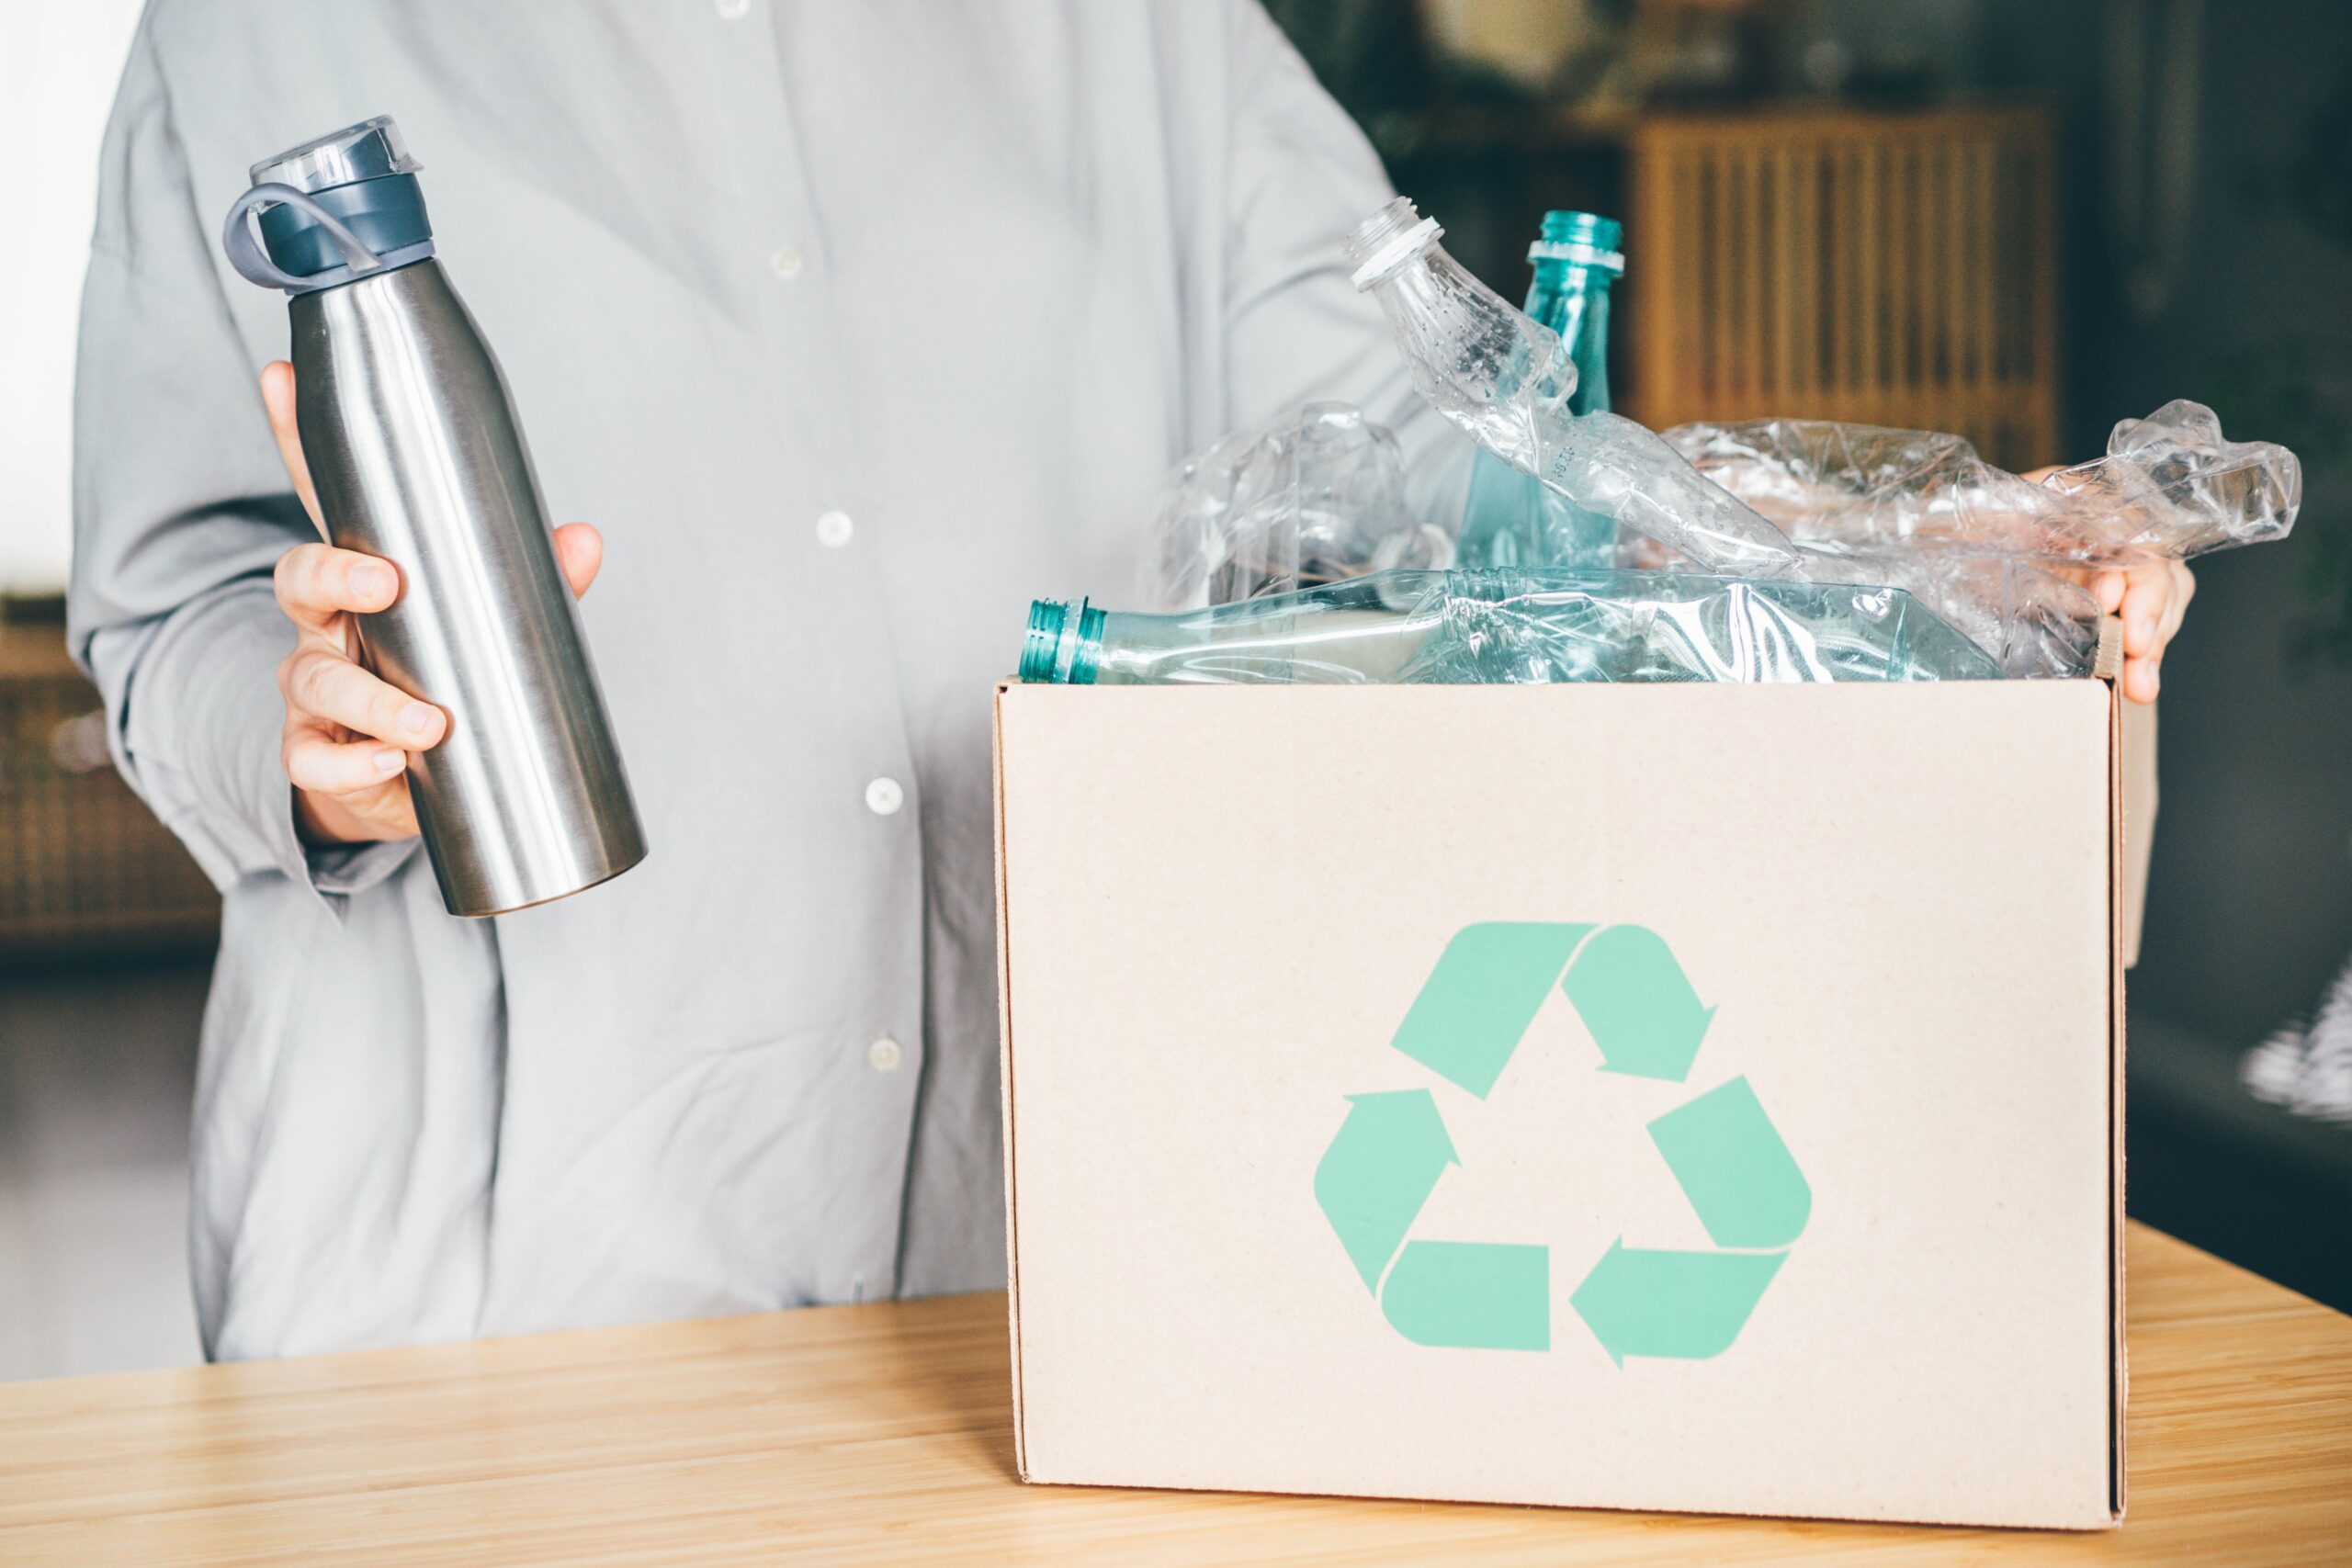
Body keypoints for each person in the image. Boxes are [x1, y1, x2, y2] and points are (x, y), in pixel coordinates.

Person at [70, 1, 2188, 1360]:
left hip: (1044, 1248)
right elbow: (168, 604)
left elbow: (1472, 473)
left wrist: (1925, 560)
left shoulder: (1138, 29)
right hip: (505, 1287)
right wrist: (301, 728)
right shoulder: (257, 35)